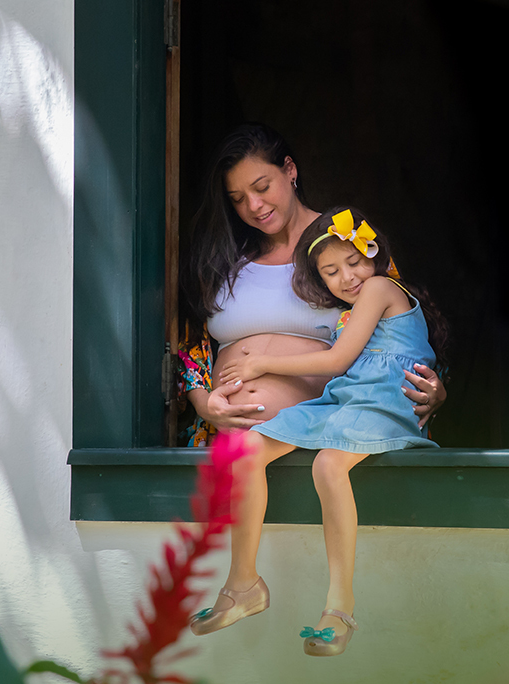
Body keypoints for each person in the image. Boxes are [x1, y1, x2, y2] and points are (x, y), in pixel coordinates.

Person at [177, 124, 447, 651]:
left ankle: (334, 608)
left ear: (291, 171)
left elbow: (405, 333)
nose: (253, 205)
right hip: (229, 439)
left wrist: (435, 392)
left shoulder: (347, 252)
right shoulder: (223, 261)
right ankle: (243, 583)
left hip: (331, 423)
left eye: (262, 186)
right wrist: (203, 401)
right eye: (237, 199)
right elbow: (189, 347)